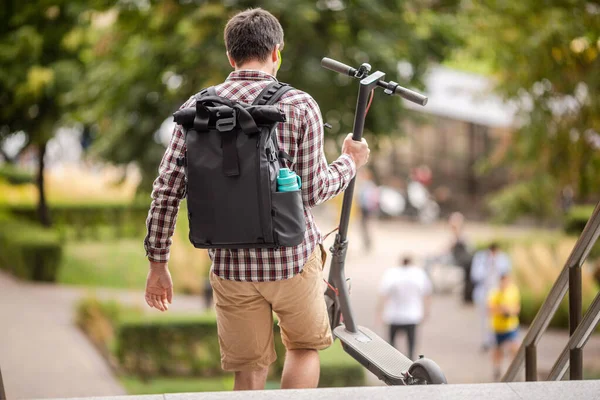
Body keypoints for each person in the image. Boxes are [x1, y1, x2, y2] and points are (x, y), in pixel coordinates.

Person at [142, 8, 370, 391]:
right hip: (292, 261)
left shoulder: (196, 110)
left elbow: (166, 190)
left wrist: (157, 263)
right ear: (276, 52)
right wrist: (351, 161)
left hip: (230, 266)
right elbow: (314, 190)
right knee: (303, 348)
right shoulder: (300, 105)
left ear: (230, 56)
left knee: (248, 369)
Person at [377, 255, 432, 360]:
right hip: (412, 315)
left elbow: (383, 294)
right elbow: (427, 294)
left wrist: (379, 313)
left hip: (393, 315)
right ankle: (410, 362)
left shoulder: (391, 273)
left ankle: (394, 362)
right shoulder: (418, 273)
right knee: (411, 343)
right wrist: (426, 312)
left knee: (392, 344)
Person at [471, 242, 511, 351]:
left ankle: (499, 341)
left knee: (498, 316)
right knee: (485, 318)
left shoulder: (503, 259)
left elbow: (506, 274)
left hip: (498, 292)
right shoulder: (481, 258)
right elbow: (475, 275)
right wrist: (488, 266)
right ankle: (486, 341)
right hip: (484, 291)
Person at [488, 273, 521, 381]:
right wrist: (502, 310)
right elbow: (491, 309)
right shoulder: (495, 293)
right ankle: (496, 369)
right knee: (498, 350)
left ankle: (514, 369)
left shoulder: (513, 291)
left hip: (511, 325)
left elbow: (517, 308)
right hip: (498, 327)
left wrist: (509, 310)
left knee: (514, 347)